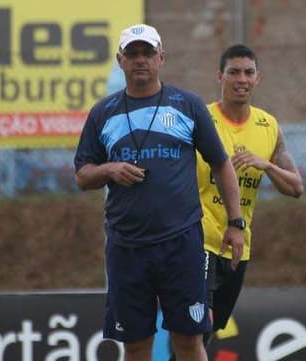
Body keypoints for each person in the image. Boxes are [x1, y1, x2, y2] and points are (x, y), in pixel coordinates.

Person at [73, 24, 244, 361]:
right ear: (120, 60)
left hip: (181, 244)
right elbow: (83, 174)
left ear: (161, 57)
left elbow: (221, 164)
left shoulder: (187, 105)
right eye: (132, 54)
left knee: (189, 340)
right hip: (127, 248)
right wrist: (110, 170)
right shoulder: (102, 113)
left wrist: (235, 223)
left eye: (147, 53)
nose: (140, 60)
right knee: (135, 345)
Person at [167, 44, 305, 360]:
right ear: (220, 76)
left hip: (237, 246)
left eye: (248, 72)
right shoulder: (200, 118)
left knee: (205, 334)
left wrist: (267, 165)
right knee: (198, 326)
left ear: (258, 79)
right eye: (233, 72)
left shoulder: (268, 127)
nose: (241, 79)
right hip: (196, 239)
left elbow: (297, 187)